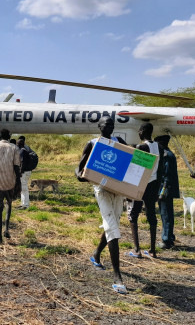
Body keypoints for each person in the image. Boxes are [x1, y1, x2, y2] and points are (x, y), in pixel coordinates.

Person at [76, 116, 128, 294]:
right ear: (99, 126)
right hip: (101, 190)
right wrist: (81, 175)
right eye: (106, 124)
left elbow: (127, 160)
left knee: (112, 226)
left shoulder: (119, 141)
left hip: (117, 190)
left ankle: (96, 254)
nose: (110, 127)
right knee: (113, 228)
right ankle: (117, 277)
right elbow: (79, 168)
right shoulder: (92, 143)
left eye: (112, 125)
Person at [127, 123, 163, 259]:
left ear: (142, 131)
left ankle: (137, 250)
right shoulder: (158, 146)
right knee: (151, 216)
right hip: (153, 184)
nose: (138, 133)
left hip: (140, 184)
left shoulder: (142, 147)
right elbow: (160, 170)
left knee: (133, 214)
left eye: (139, 131)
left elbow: (136, 169)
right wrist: (158, 189)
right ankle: (153, 251)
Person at [154, 135, 179, 249]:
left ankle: (166, 240)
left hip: (166, 189)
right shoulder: (168, 154)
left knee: (166, 214)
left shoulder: (166, 155)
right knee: (167, 213)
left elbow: (167, 176)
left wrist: (162, 192)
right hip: (167, 189)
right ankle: (170, 237)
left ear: (162, 143)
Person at [17, 138, 31, 209]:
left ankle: (26, 205)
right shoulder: (25, 150)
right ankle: (23, 204)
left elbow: (23, 162)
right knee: (23, 188)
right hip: (26, 172)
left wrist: (21, 171)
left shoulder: (22, 151)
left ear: (19, 144)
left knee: (24, 189)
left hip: (24, 172)